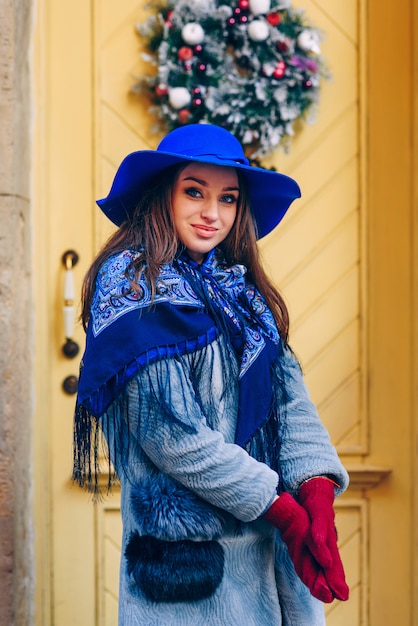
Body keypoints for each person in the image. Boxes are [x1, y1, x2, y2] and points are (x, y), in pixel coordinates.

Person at [73, 123, 349, 626]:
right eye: (194, 192)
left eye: (228, 198)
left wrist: (316, 493)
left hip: (274, 555)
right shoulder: (134, 293)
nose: (211, 213)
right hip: (195, 568)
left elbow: (291, 401)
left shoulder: (243, 295)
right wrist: (281, 510)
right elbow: (173, 438)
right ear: (163, 195)